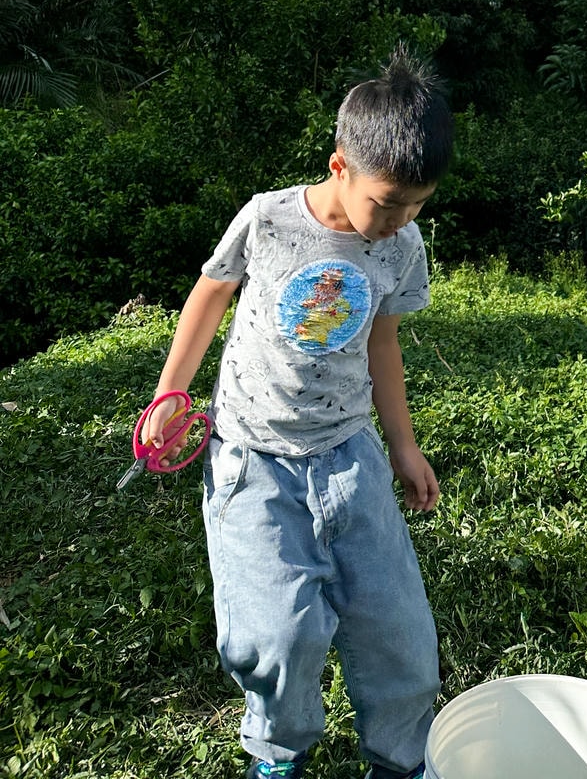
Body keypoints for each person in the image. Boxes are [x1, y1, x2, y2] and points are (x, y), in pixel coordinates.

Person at [144, 47, 451, 779]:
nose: (400, 221)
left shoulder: (401, 246)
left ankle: (401, 760)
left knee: (400, 632)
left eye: (417, 205)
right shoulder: (269, 218)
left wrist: (403, 445)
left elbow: (382, 342)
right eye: (388, 203)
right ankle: (280, 752)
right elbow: (210, 295)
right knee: (276, 637)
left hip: (350, 457)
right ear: (340, 165)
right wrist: (168, 393)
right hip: (251, 461)